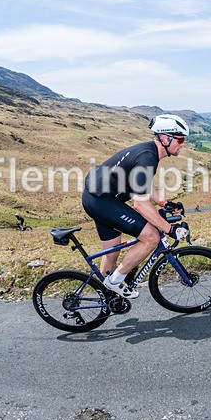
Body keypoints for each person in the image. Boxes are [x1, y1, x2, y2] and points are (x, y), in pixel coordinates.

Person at [82, 114, 189, 298]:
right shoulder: (148, 157)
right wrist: (170, 229)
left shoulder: (148, 152)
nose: (183, 144)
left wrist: (164, 203)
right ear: (165, 138)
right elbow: (140, 204)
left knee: (112, 252)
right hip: (103, 201)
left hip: (95, 198)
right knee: (152, 237)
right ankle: (115, 282)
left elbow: (143, 184)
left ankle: (107, 298)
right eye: (180, 139)